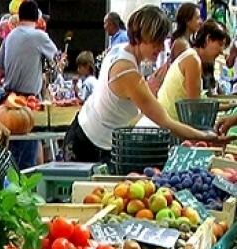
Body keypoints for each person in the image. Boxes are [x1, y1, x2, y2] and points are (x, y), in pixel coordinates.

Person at [63, 5, 232, 163]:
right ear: (140, 36)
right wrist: (208, 137)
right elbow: (165, 122)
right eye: (155, 41)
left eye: (162, 40)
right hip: (88, 145)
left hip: (85, 131)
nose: (160, 47)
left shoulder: (120, 50)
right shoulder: (128, 74)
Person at [0, 0, 59, 169]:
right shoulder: (39, 36)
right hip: (28, 103)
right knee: (26, 161)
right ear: (37, 18)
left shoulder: (10, 36)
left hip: (8, 100)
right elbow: (57, 58)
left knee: (11, 154)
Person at [158, 19, 230, 120]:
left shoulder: (193, 56)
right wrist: (228, 107)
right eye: (220, 44)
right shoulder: (193, 60)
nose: (222, 51)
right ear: (208, 39)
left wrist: (228, 106)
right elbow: (195, 107)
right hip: (170, 124)